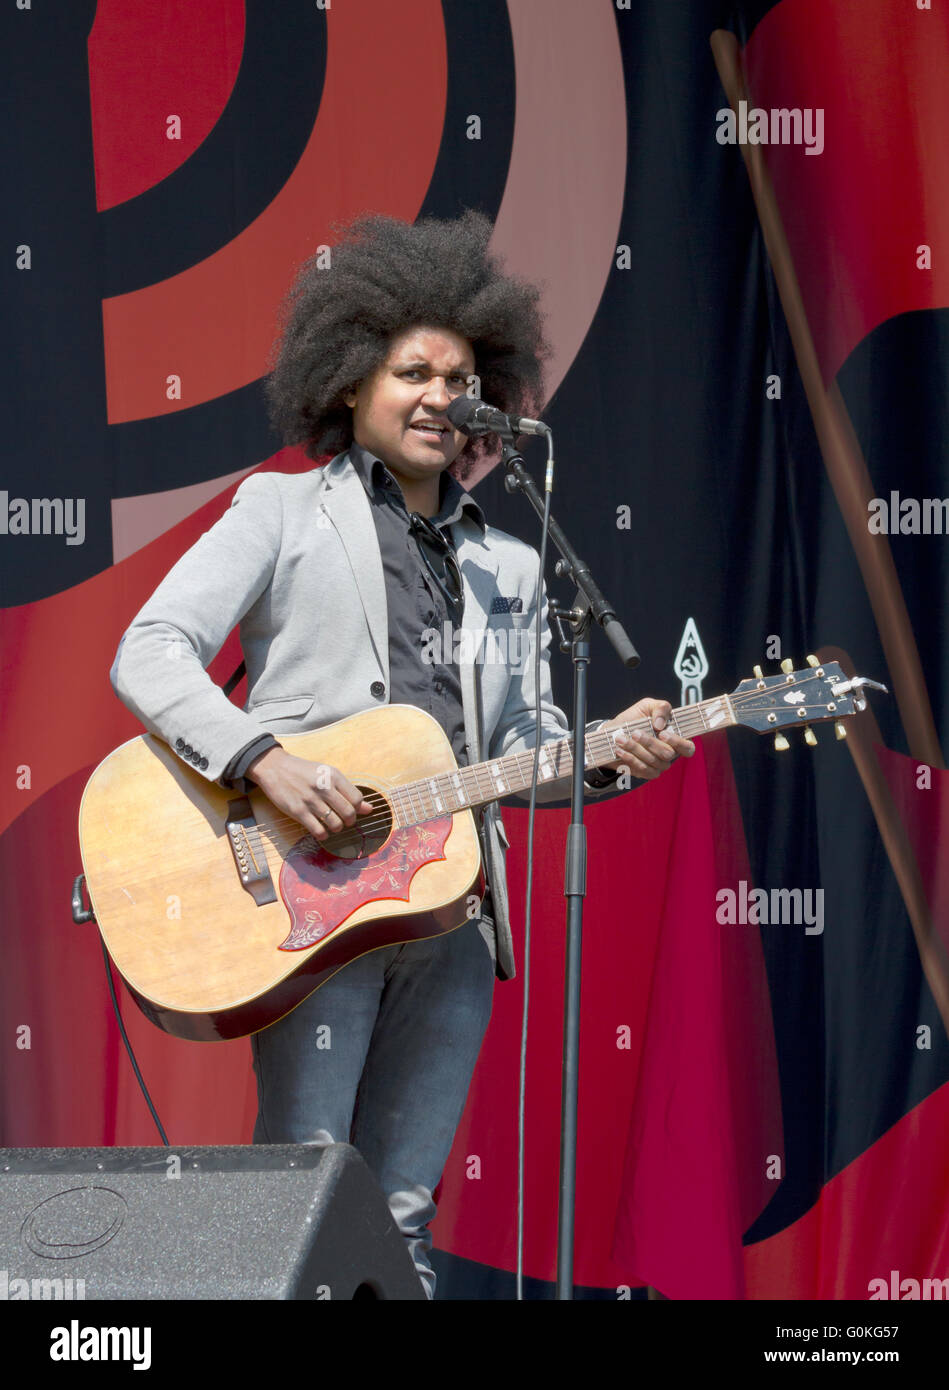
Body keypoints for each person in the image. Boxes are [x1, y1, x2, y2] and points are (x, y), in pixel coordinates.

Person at [110, 210, 694, 1297]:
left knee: (399, 1216)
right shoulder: (282, 511)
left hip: (452, 911)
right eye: (412, 371)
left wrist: (608, 754)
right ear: (346, 384)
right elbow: (150, 649)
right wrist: (262, 759)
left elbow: (520, 747)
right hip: (308, 893)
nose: (440, 395)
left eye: (461, 376)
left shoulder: (510, 566)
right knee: (301, 1191)